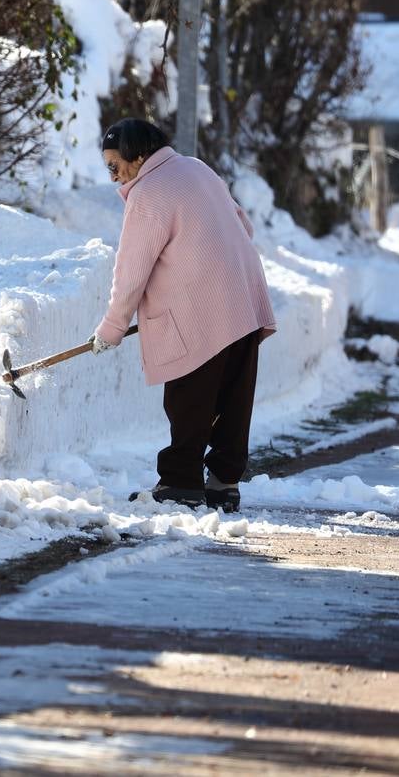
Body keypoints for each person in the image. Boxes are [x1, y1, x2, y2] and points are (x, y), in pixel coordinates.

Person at [89, 118, 276, 512]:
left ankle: (180, 482)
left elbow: (132, 270)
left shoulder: (149, 192)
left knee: (190, 398)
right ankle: (224, 483)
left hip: (201, 309)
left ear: (138, 156)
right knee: (233, 397)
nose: (113, 176)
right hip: (244, 296)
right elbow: (244, 224)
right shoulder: (197, 168)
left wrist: (113, 327)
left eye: (114, 165)